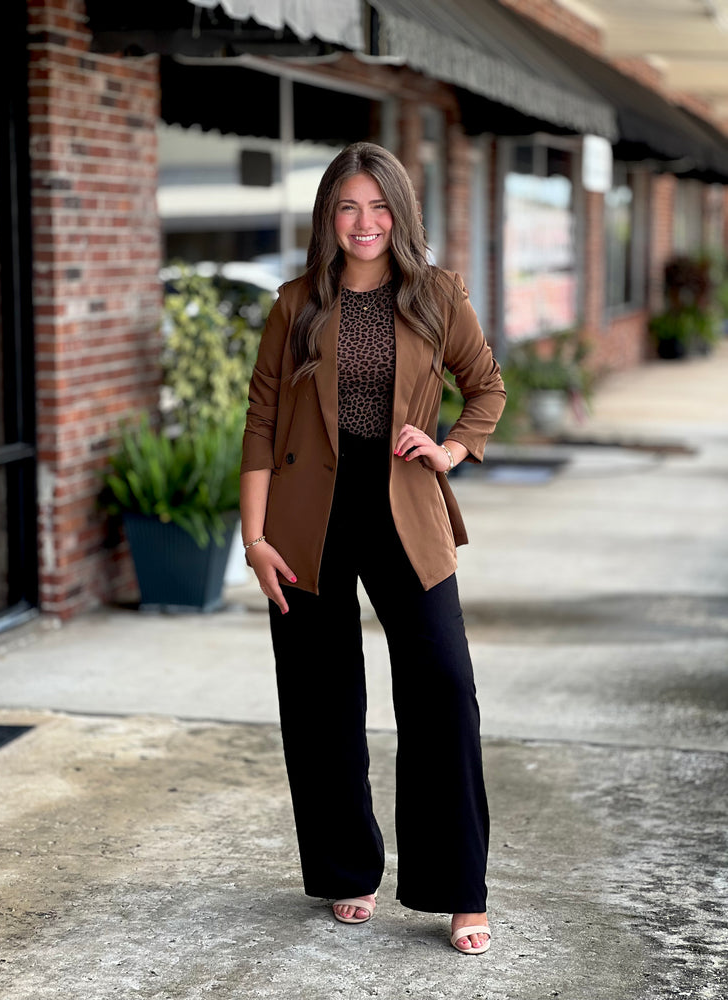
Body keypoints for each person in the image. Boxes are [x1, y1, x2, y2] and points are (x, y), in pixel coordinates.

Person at [240, 142, 505, 955]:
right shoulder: (295, 305)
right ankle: (347, 867)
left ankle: (458, 888)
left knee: (443, 688)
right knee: (321, 703)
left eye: (379, 206)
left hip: (404, 507)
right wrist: (254, 539)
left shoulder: (435, 295)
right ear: (329, 215)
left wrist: (453, 450)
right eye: (349, 207)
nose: (365, 223)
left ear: (400, 212)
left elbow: (486, 385)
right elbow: (259, 425)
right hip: (306, 515)